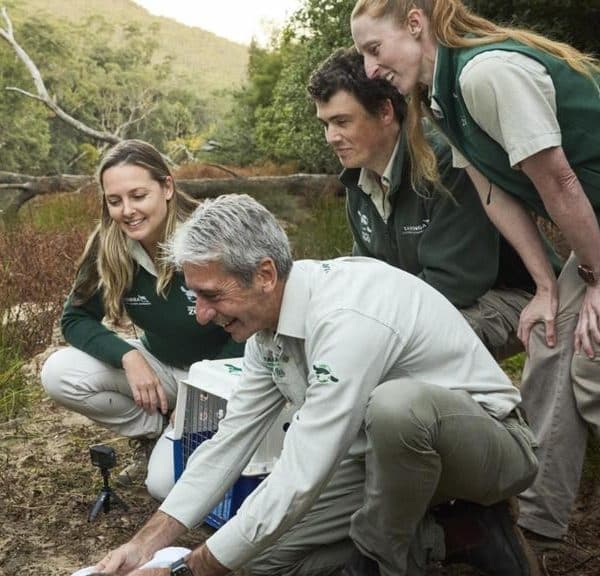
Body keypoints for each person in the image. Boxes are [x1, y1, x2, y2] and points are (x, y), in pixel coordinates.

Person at [91, 194, 539, 576]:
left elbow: (303, 472)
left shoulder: (346, 316)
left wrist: (194, 568)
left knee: (397, 407)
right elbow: (229, 443)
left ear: (265, 274)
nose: (203, 314)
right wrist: (145, 544)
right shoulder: (265, 331)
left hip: (487, 450)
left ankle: (385, 557)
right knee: (257, 561)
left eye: (212, 295)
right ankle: (455, 534)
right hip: (378, 461)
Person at [350, 0, 600, 549]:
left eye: (375, 49)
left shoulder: (487, 74)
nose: (370, 70)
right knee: (555, 333)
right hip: (592, 233)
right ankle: (536, 521)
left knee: (590, 363)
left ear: (415, 24)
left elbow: (558, 181)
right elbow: (495, 193)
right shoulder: (440, 98)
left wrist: (596, 279)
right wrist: (544, 285)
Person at [307, 47, 553, 360]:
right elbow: (367, 276)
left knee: (405, 352)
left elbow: (459, 282)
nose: (331, 136)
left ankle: (484, 408)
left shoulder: (445, 163)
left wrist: (373, 326)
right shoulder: (357, 182)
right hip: (426, 302)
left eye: (341, 121)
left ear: (385, 112)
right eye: (325, 124)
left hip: (511, 294)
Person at [41, 139, 243, 492]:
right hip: (163, 366)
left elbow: (258, 324)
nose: (127, 211)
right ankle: (155, 430)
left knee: (163, 487)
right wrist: (129, 356)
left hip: (223, 377)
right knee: (58, 372)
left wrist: (205, 391)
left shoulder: (212, 236)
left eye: (138, 196)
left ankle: (189, 429)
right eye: (114, 200)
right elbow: (75, 319)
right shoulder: (111, 245)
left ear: (166, 187)